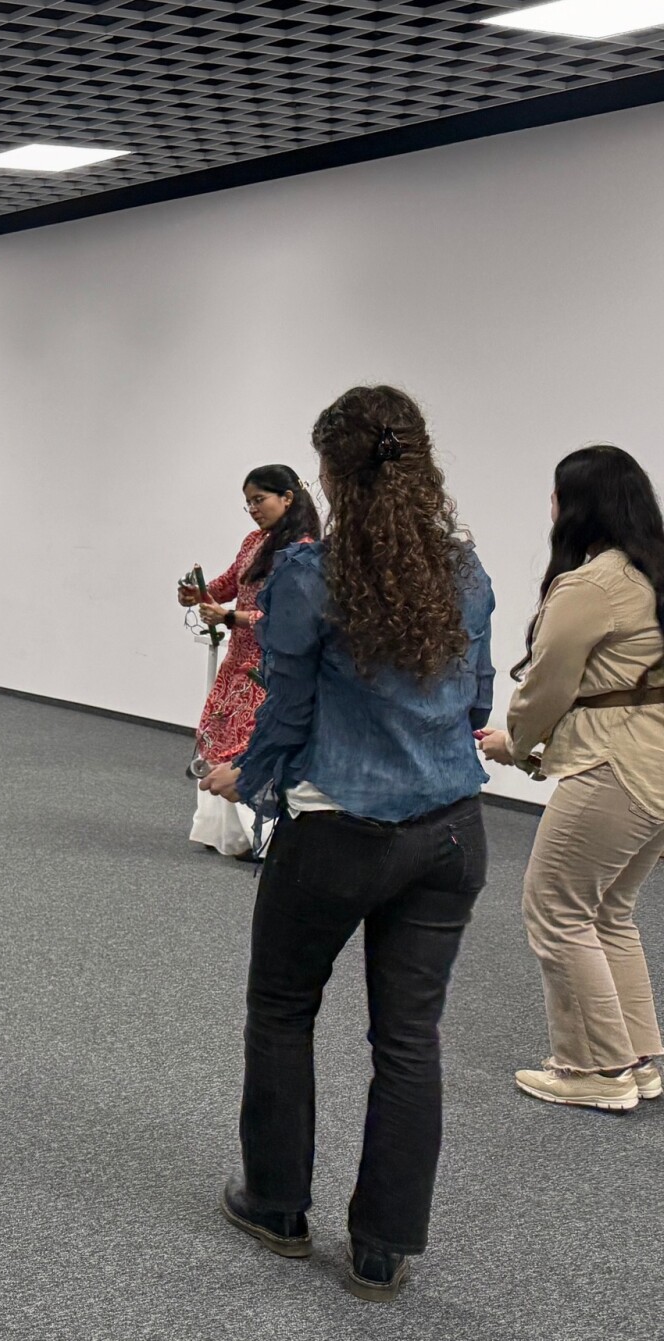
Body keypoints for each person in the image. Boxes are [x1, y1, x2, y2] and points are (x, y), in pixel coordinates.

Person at [201, 385, 494, 1302]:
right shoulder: (464, 569)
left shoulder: (310, 576)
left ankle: (277, 1206)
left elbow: (287, 708)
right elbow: (477, 700)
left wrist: (247, 775)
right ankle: (381, 1250)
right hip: (451, 834)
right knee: (409, 1040)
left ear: (329, 475)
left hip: (336, 832)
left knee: (282, 1009)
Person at [477, 445, 664, 1113]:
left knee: (556, 907)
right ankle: (637, 1060)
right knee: (608, 909)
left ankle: (595, 1069)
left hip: (615, 767)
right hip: (652, 765)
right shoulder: (651, 576)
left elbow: (548, 687)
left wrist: (517, 743)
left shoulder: (592, 585)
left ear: (576, 505)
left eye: (556, 495)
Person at [177, 465, 320, 857]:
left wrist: (229, 618)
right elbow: (229, 584)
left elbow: (289, 618)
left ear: (287, 498)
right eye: (248, 503)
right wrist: (198, 594)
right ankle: (224, 834)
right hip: (237, 660)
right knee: (219, 737)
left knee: (250, 742)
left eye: (259, 500)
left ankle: (256, 836)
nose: (253, 509)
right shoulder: (254, 541)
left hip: (270, 666)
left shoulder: (304, 551)